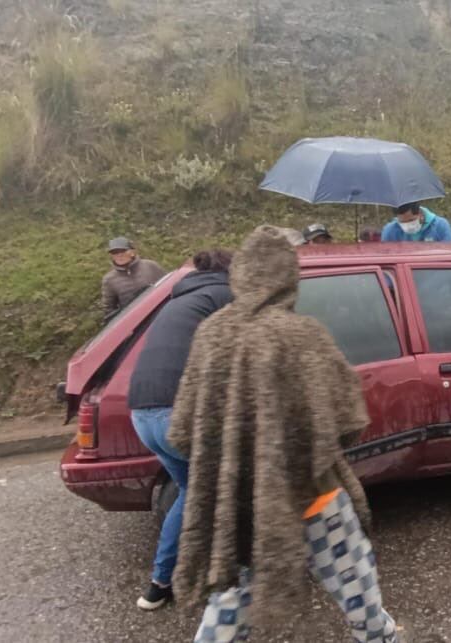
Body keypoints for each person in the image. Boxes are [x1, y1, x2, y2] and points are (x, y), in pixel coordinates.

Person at [168, 226, 398, 642]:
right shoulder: (301, 334)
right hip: (315, 497)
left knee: (234, 593)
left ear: (241, 273)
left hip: (242, 503)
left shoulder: (211, 333)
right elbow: (349, 418)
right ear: (288, 276)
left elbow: (184, 431)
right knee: (355, 583)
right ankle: (380, 636)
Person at [127, 249, 234, 611]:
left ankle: (158, 585)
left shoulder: (180, 300)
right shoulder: (224, 295)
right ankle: (233, 584)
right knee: (236, 485)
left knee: (192, 491)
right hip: (176, 414)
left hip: (142, 414)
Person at [102, 237, 166, 323]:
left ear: (132, 252)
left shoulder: (151, 266)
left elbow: (168, 287)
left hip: (162, 315)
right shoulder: (109, 279)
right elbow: (109, 310)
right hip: (136, 324)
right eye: (114, 252)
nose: (119, 255)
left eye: (123, 251)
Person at [380, 202, 451, 242]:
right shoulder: (389, 231)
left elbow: (449, 258)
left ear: (420, 213)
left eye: (411, 220)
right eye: (402, 222)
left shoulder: (440, 226)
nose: (407, 225)